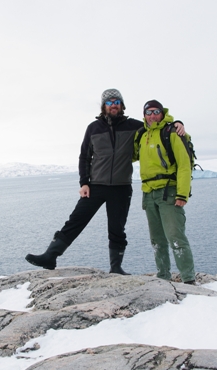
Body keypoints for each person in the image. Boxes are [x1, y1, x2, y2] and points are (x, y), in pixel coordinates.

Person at [25, 89, 184, 274]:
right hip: (95, 186)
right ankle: (50, 256)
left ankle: (116, 268)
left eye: (117, 101)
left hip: (121, 187)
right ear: (103, 107)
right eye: (109, 102)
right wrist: (84, 182)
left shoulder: (135, 126)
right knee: (76, 220)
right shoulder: (93, 128)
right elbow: (84, 157)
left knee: (117, 228)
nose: (113, 105)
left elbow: (156, 124)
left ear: (122, 105)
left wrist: (177, 123)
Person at [135, 100, 196, 284]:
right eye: (149, 112)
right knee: (157, 240)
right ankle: (163, 276)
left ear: (162, 113)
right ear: (144, 115)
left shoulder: (172, 133)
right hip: (148, 193)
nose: (152, 115)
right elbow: (129, 155)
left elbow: (185, 166)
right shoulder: (142, 135)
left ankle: (188, 279)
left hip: (169, 192)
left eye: (156, 112)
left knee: (176, 237)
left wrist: (182, 194)